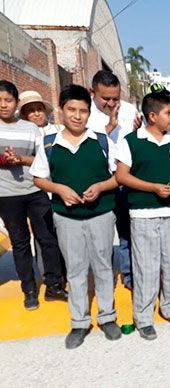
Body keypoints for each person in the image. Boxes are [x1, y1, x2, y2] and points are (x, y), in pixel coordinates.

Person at [30, 84, 120, 349]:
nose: (77, 116)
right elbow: (38, 178)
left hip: (101, 214)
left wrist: (101, 187)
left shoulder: (102, 141)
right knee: (76, 269)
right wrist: (59, 188)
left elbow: (119, 176)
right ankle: (80, 322)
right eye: (72, 110)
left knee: (103, 266)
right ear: (61, 110)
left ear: (90, 113)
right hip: (66, 218)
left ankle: (107, 317)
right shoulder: (49, 145)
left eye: (83, 111)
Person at [115, 90, 170, 340]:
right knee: (146, 266)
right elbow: (121, 176)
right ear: (153, 116)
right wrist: (153, 188)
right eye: (169, 113)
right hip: (143, 214)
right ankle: (144, 317)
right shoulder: (131, 141)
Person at [0, 80, 67, 310]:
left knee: (47, 238)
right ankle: (29, 290)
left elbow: (42, 158)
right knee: (20, 243)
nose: (3, 105)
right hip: (7, 196)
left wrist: (22, 159)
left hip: (35, 190)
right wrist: (3, 160)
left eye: (8, 100)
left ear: (16, 103)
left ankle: (54, 285)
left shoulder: (30, 128)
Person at [88, 70, 141, 291]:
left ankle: (129, 275)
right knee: (102, 236)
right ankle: (104, 276)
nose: (111, 103)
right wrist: (108, 128)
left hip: (128, 181)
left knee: (128, 232)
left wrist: (139, 130)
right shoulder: (85, 114)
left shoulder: (130, 111)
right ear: (93, 93)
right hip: (100, 181)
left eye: (115, 98)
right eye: (105, 98)